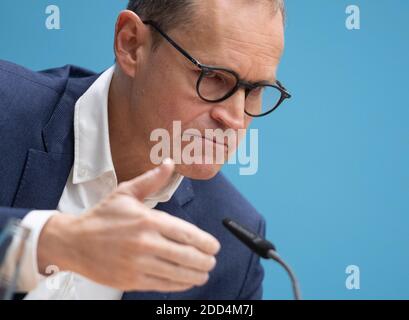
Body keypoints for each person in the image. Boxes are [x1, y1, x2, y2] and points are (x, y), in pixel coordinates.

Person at [0, 0, 289, 299]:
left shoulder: (233, 246)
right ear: (132, 44)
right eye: (213, 77)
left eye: (254, 90)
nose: (234, 118)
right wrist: (53, 244)